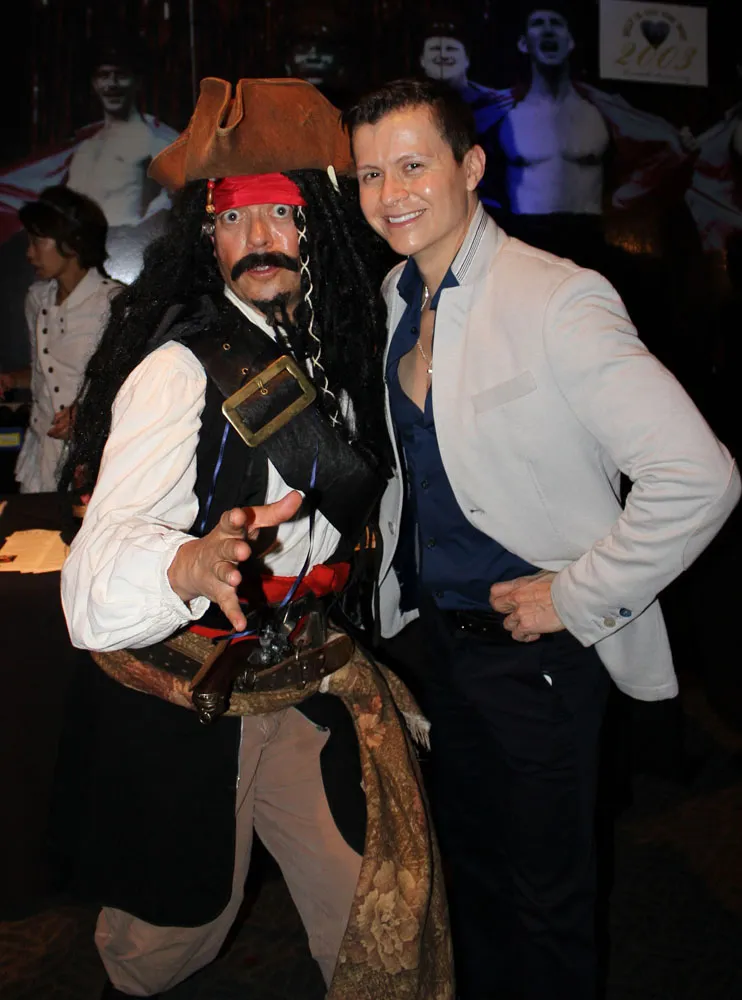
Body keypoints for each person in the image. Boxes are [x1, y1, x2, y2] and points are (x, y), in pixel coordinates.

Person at [343, 78, 741, 1000]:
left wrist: (573, 595)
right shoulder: (396, 292)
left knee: (546, 901)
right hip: (439, 645)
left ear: (471, 166)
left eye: (413, 165)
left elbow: (700, 476)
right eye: (369, 174)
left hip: (539, 660)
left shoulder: (558, 297)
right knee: (474, 878)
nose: (391, 192)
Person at [58, 77, 451, 999]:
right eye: (233, 218)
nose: (258, 239)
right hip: (188, 694)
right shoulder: (179, 371)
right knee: (165, 942)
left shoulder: (339, 354)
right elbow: (88, 594)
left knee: (366, 910)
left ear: (315, 226)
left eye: (280, 213)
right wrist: (186, 563)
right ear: (208, 236)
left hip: (301, 679)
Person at [0, 185, 120, 492]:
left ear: (73, 241)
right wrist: (12, 379)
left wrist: (87, 412)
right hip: (41, 457)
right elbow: (44, 373)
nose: (29, 253)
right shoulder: (37, 298)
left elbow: (132, 387)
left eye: (38, 241)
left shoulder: (115, 303)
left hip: (91, 460)